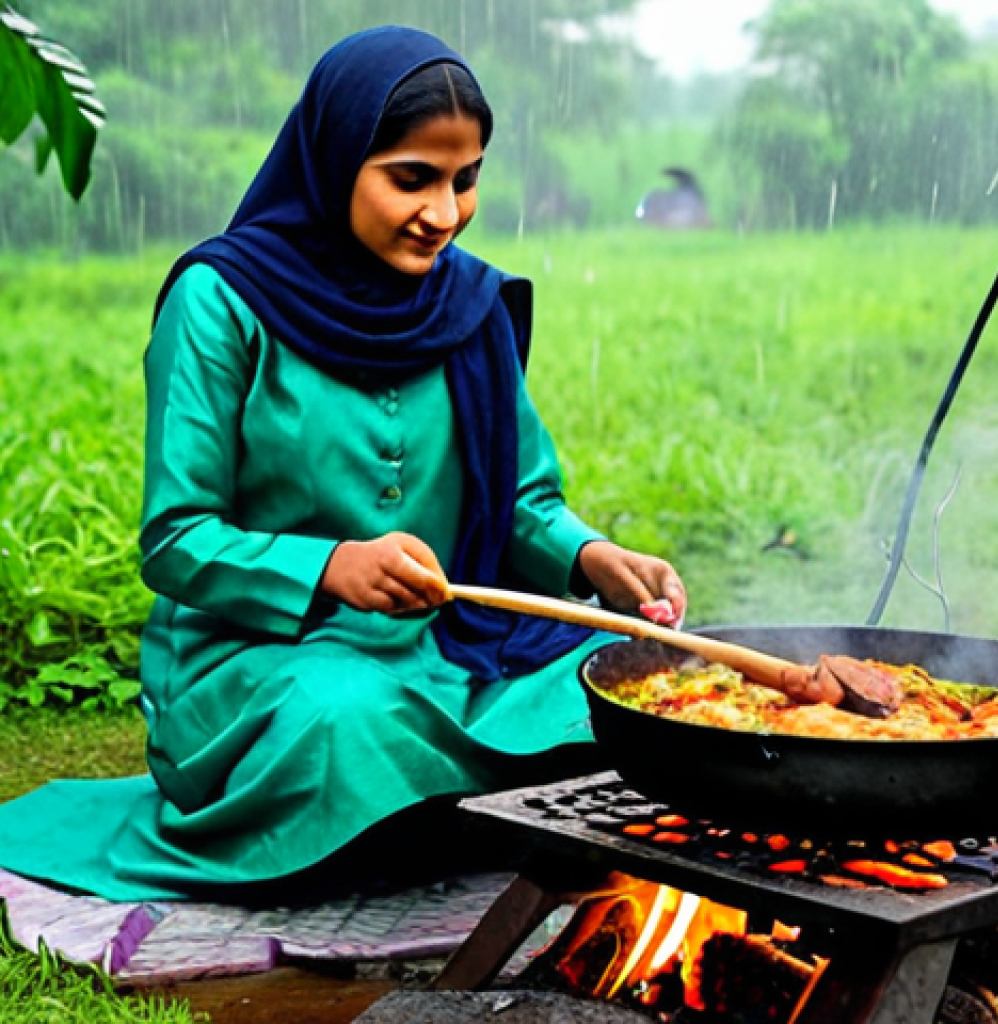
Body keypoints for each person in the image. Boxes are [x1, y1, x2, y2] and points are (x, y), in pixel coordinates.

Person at [0, 26, 686, 903]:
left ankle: (409, 822)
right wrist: (330, 565)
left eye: (464, 179)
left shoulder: (469, 302)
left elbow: (519, 502)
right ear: (333, 161)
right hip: (259, 661)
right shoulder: (221, 301)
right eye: (412, 178)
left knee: (623, 676)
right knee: (343, 717)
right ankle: (448, 816)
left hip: (446, 647)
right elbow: (176, 540)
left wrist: (592, 558)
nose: (443, 212)